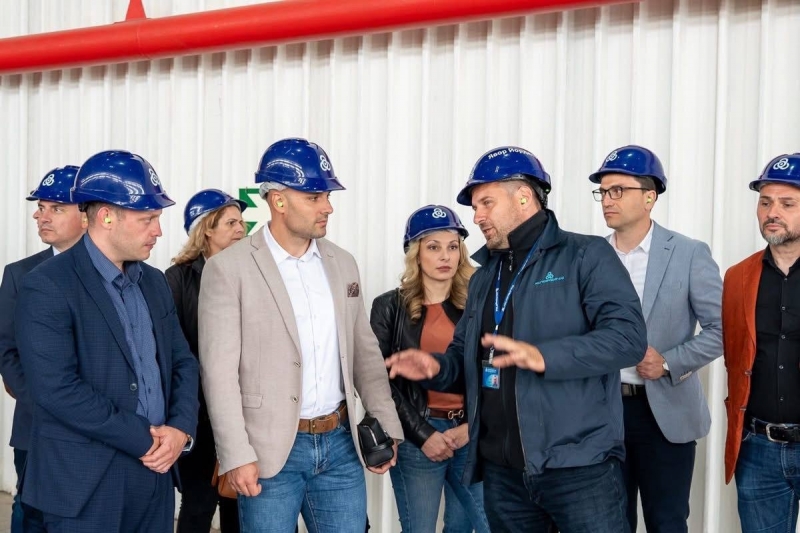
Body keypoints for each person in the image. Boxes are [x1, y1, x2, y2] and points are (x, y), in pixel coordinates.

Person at [385, 145, 648, 533]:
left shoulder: (585, 255)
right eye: (476, 207)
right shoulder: (482, 277)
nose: (477, 217)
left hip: (579, 471)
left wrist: (545, 357)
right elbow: (464, 357)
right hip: (503, 475)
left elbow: (628, 338)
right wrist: (435, 367)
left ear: (524, 197)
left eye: (486, 203)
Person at [198, 138, 402, 533]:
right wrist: (236, 453)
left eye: (327, 196)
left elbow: (364, 353)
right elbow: (219, 374)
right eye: (314, 197)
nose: (327, 206)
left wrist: (386, 422)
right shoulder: (228, 269)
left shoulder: (343, 263)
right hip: (269, 451)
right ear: (278, 200)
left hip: (340, 445)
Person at [15, 150, 199, 532]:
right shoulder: (47, 285)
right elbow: (56, 389)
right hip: (84, 485)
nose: (158, 231)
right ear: (106, 217)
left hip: (155, 476)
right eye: (148, 219)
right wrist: (144, 439)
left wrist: (180, 429)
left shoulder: (154, 282)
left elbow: (182, 362)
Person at [589, 145, 723, 532]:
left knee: (667, 522)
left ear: (650, 197)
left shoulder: (689, 253)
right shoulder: (589, 256)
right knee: (609, 523)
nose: (608, 200)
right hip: (600, 412)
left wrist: (666, 362)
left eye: (618, 190)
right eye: (603, 191)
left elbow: (722, 330)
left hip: (665, 412)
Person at [370, 205, 490, 533]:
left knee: (480, 525)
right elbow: (378, 381)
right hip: (417, 437)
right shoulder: (389, 306)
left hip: (470, 433)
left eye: (453, 247)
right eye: (434, 247)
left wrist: (471, 427)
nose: (445, 256)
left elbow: (493, 371)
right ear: (416, 254)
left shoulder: (479, 304)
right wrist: (424, 435)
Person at [0, 165, 88, 533]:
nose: (41, 216)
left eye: (56, 208)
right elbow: (8, 350)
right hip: (36, 425)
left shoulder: (119, 272)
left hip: (99, 429)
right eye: (41, 207)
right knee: (31, 510)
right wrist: (44, 401)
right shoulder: (19, 274)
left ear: (87, 216)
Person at [722, 152, 800, 532]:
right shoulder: (737, 277)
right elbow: (734, 357)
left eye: (787, 204)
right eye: (765, 202)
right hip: (759, 448)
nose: (773, 212)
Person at [167, 189, 247, 533]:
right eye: (231, 223)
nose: (241, 228)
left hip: (243, 411)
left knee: (238, 501)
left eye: (242, 222)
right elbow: (171, 352)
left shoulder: (253, 274)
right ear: (207, 229)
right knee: (198, 503)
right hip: (198, 414)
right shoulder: (177, 279)